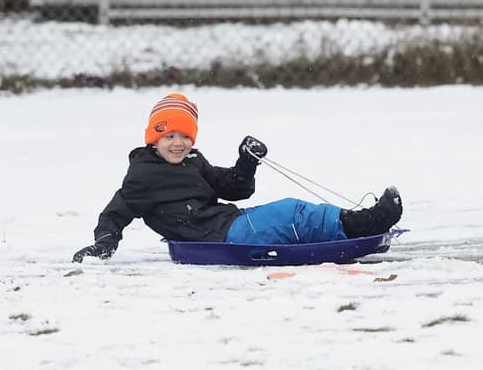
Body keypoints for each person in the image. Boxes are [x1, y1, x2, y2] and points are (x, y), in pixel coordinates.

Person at [72, 93, 402, 262]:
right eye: (168, 136)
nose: (178, 143)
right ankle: (363, 224)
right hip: (218, 238)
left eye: (184, 136)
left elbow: (233, 189)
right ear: (153, 139)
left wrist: (246, 162)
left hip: (230, 224)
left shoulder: (193, 161)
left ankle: (352, 227)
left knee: (293, 215)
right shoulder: (142, 176)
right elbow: (116, 212)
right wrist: (104, 244)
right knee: (291, 213)